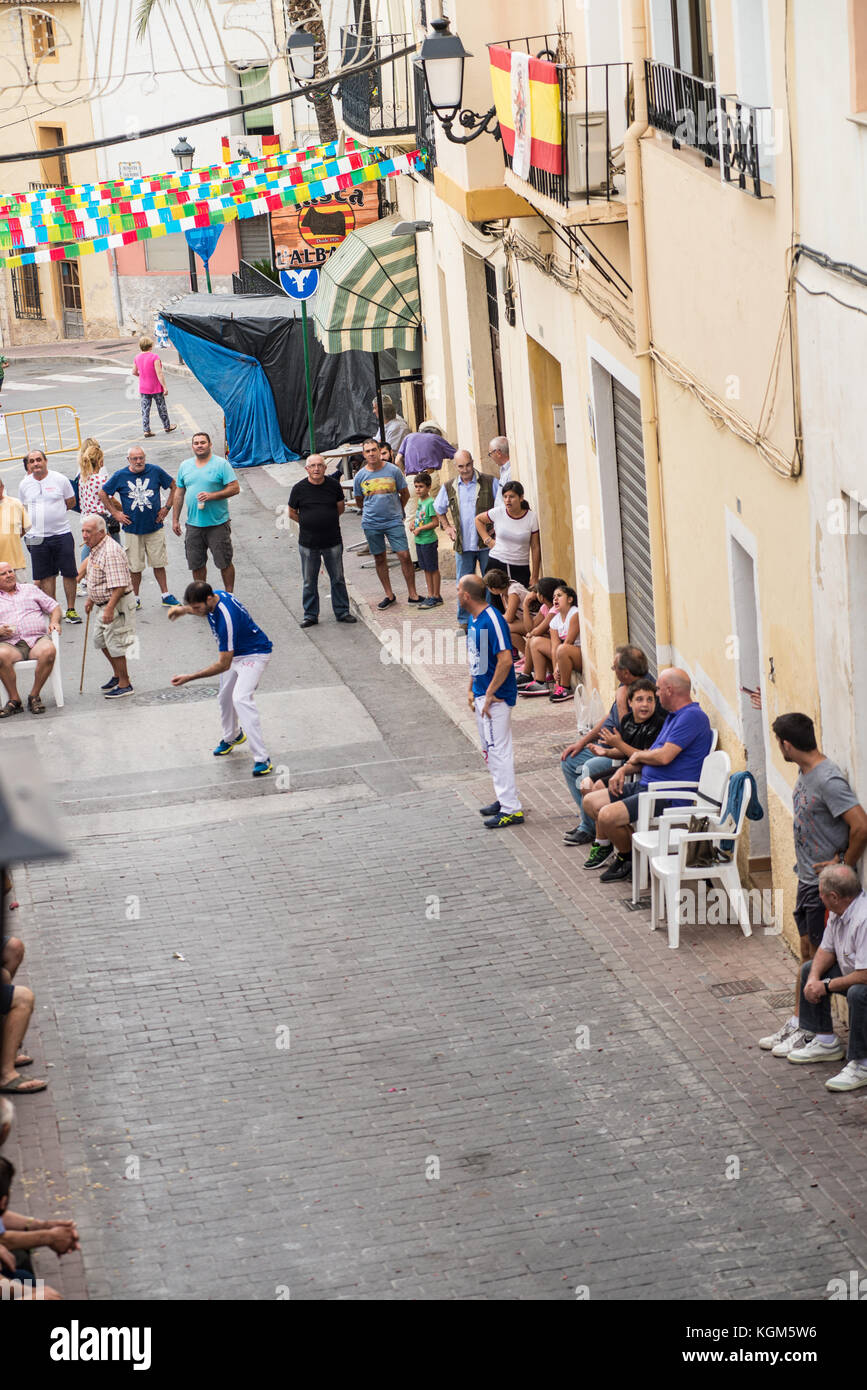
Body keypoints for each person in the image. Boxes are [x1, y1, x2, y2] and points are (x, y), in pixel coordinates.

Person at [759, 713, 867, 1056]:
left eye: (779, 743)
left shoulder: (828, 779)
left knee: (818, 956)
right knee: (807, 953)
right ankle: (800, 1022)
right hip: (807, 881)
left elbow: (861, 826)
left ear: (786, 744)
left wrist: (841, 865)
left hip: (824, 886)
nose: (780, 748)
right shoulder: (805, 772)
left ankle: (819, 1034)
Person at [581, 667, 713, 881]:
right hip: (648, 785)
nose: (658, 696)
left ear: (670, 690)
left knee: (606, 815)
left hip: (667, 795)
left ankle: (628, 858)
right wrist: (624, 769)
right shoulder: (673, 717)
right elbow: (651, 754)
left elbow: (663, 757)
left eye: (659, 690)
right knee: (590, 802)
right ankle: (632, 856)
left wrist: (637, 758)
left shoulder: (693, 717)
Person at [776, 865, 867, 1091]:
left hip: (862, 981)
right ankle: (825, 1041)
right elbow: (826, 950)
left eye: (821, 894)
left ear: (834, 897)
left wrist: (825, 986)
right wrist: (813, 979)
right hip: (852, 975)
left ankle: (862, 1063)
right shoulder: (838, 913)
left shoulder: (863, 919)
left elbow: (865, 976)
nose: (819, 897)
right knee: (809, 968)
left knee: (858, 994)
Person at [169, 581, 273, 777]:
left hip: (254, 655)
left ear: (209, 599)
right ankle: (232, 736)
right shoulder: (214, 596)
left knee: (240, 698)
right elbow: (199, 608)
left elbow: (223, 664)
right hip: (236, 654)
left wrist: (190, 677)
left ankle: (262, 758)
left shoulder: (227, 619)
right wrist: (183, 610)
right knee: (225, 697)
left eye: (198, 607)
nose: (197, 611)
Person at [560, 645, 649, 845]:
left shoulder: (642, 696)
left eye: (614, 668)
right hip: (607, 748)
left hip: (619, 755)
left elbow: (631, 739)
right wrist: (582, 742)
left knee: (590, 771)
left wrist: (609, 750)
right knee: (570, 760)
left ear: (626, 673)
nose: (612, 670)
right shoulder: (624, 687)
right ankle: (593, 826)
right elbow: (610, 716)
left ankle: (593, 830)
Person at [459, 574, 523, 829]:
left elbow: (506, 659)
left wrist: (490, 694)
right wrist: (472, 689)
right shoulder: (474, 620)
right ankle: (503, 797)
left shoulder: (492, 620)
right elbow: (478, 659)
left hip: (495, 698)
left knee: (499, 751)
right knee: (489, 751)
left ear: (466, 595)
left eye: (457, 590)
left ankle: (511, 809)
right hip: (483, 694)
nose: (456, 594)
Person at [99, 445, 179, 609]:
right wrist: (115, 514)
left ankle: (165, 595)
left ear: (145, 457)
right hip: (132, 530)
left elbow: (174, 486)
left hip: (155, 527)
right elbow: (103, 493)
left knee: (159, 563)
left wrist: (167, 508)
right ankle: (134, 598)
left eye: (141, 457)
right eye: (134, 458)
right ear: (128, 460)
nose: (138, 461)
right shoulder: (120, 475)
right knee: (135, 567)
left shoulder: (155, 470)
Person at [288, 453, 356, 627]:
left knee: (338, 578)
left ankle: (342, 611)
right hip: (308, 543)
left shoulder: (334, 486)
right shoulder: (298, 489)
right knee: (309, 580)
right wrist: (308, 523)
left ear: (325, 468)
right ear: (307, 469)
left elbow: (339, 508)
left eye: (320, 465)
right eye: (313, 466)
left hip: (332, 540)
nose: (316, 469)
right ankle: (310, 615)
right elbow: (292, 513)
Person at [352, 438, 420, 610]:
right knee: (379, 558)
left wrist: (397, 510)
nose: (371, 454)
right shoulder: (360, 476)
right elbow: (359, 501)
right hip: (371, 523)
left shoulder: (393, 471)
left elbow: (404, 494)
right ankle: (389, 595)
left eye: (374, 450)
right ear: (363, 454)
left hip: (393, 521)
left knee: (404, 555)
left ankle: (413, 594)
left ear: (379, 450)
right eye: (367, 451)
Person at [434, 451, 499, 630]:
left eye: (468, 465)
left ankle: (488, 618)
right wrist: (447, 527)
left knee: (489, 580)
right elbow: (438, 508)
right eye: (461, 466)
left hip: (486, 542)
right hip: (464, 543)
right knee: (463, 583)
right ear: (456, 467)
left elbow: (500, 508)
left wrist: (496, 528)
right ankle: (464, 621)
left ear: (473, 462)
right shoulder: (449, 486)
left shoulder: (490, 481)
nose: (465, 470)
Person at [18, 449, 81, 624]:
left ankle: (70, 609)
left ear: (45, 461)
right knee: (46, 575)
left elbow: (71, 502)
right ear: (28, 465)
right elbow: (24, 508)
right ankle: (54, 609)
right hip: (36, 537)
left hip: (61, 533)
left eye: (39, 460)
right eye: (32, 461)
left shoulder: (60, 480)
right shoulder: (24, 484)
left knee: (69, 572)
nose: (36, 463)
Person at [172, 432, 240, 592]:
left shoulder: (221, 464)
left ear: (210, 445)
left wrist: (212, 496)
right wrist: (175, 519)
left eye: (203, 442)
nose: (199, 445)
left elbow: (234, 488)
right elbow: (179, 493)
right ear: (192, 446)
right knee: (196, 564)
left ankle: (230, 595)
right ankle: (202, 596)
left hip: (218, 524)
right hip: (194, 525)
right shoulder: (185, 466)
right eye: (196, 443)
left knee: (224, 562)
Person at [576, 678, 665, 797]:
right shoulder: (627, 720)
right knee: (585, 785)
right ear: (630, 702)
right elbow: (623, 752)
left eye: (650, 700)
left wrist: (618, 743)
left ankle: (606, 812)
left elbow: (645, 757)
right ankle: (595, 813)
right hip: (625, 767)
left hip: (640, 771)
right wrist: (606, 752)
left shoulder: (657, 724)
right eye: (639, 699)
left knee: (598, 787)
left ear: (655, 703)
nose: (645, 704)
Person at [81, 514, 137, 699]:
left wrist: (109, 609)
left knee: (116, 644)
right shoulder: (96, 547)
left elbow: (119, 585)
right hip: (103, 604)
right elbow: (97, 576)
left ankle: (125, 683)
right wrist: (91, 598)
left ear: (102, 532)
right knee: (100, 640)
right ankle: (117, 674)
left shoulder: (110, 551)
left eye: (88, 531)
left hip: (116, 605)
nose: (84, 535)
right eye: (83, 531)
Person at [0, 560, 61, 716]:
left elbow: (54, 607)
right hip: (10, 644)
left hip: (36, 640)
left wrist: (54, 621)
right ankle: (14, 700)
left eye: (10, 571)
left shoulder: (30, 589)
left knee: (48, 650)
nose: (9, 576)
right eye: (3, 574)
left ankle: (34, 695)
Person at [519, 583, 581, 699]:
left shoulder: (574, 613)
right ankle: (540, 682)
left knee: (563, 648)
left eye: (559, 595)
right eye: (554, 597)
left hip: (578, 655)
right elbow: (554, 648)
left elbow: (569, 642)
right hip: (563, 653)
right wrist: (556, 668)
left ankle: (565, 687)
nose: (555, 599)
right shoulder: (555, 620)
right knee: (535, 642)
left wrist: (558, 666)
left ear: (570, 599)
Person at [475, 480, 540, 589]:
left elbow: (535, 547)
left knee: (519, 602)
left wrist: (535, 576)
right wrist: (488, 540)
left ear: (521, 498)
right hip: (496, 563)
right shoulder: (498, 512)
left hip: (520, 567)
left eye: (512, 496)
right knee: (497, 602)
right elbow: (478, 520)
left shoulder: (531, 517)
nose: (507, 500)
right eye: (505, 497)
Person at [133, 334, 177, 438]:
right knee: (161, 407)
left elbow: (134, 372)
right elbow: (159, 373)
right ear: (150, 346)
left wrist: (142, 376)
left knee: (145, 409)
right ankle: (167, 426)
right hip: (156, 387)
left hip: (144, 388)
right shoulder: (154, 357)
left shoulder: (137, 357)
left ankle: (146, 430)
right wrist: (165, 387)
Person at [408, 473, 442, 608]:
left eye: (421, 487)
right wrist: (413, 525)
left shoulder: (430, 502)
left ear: (428, 487)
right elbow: (420, 518)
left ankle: (436, 595)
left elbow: (435, 522)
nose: (418, 489)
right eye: (416, 486)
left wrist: (421, 528)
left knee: (433, 568)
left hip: (428, 540)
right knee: (426, 569)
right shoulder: (420, 501)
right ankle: (430, 594)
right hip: (419, 541)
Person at [484, 568, 528, 649]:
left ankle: (529, 658)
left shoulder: (513, 591)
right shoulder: (504, 592)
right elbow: (510, 616)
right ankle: (528, 657)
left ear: (493, 589)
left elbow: (509, 618)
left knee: (503, 627)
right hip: (526, 621)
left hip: (536, 621)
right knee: (508, 631)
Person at [0, 476, 30, 579]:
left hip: (16, 565)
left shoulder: (15, 503)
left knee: (20, 593)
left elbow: (26, 527)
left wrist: (11, 537)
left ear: (2, 487)